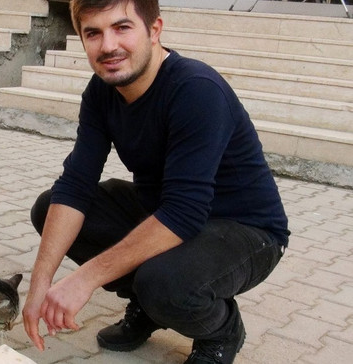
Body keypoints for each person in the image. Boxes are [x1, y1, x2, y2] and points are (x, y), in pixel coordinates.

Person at [22, 1, 290, 363]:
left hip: (246, 229)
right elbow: (76, 185)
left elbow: (185, 213)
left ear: (154, 30)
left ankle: (222, 330)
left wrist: (84, 279)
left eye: (122, 28)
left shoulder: (196, 89)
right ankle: (148, 306)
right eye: (93, 33)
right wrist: (39, 285)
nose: (108, 46)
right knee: (50, 206)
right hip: (168, 209)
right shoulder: (102, 91)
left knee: (163, 282)